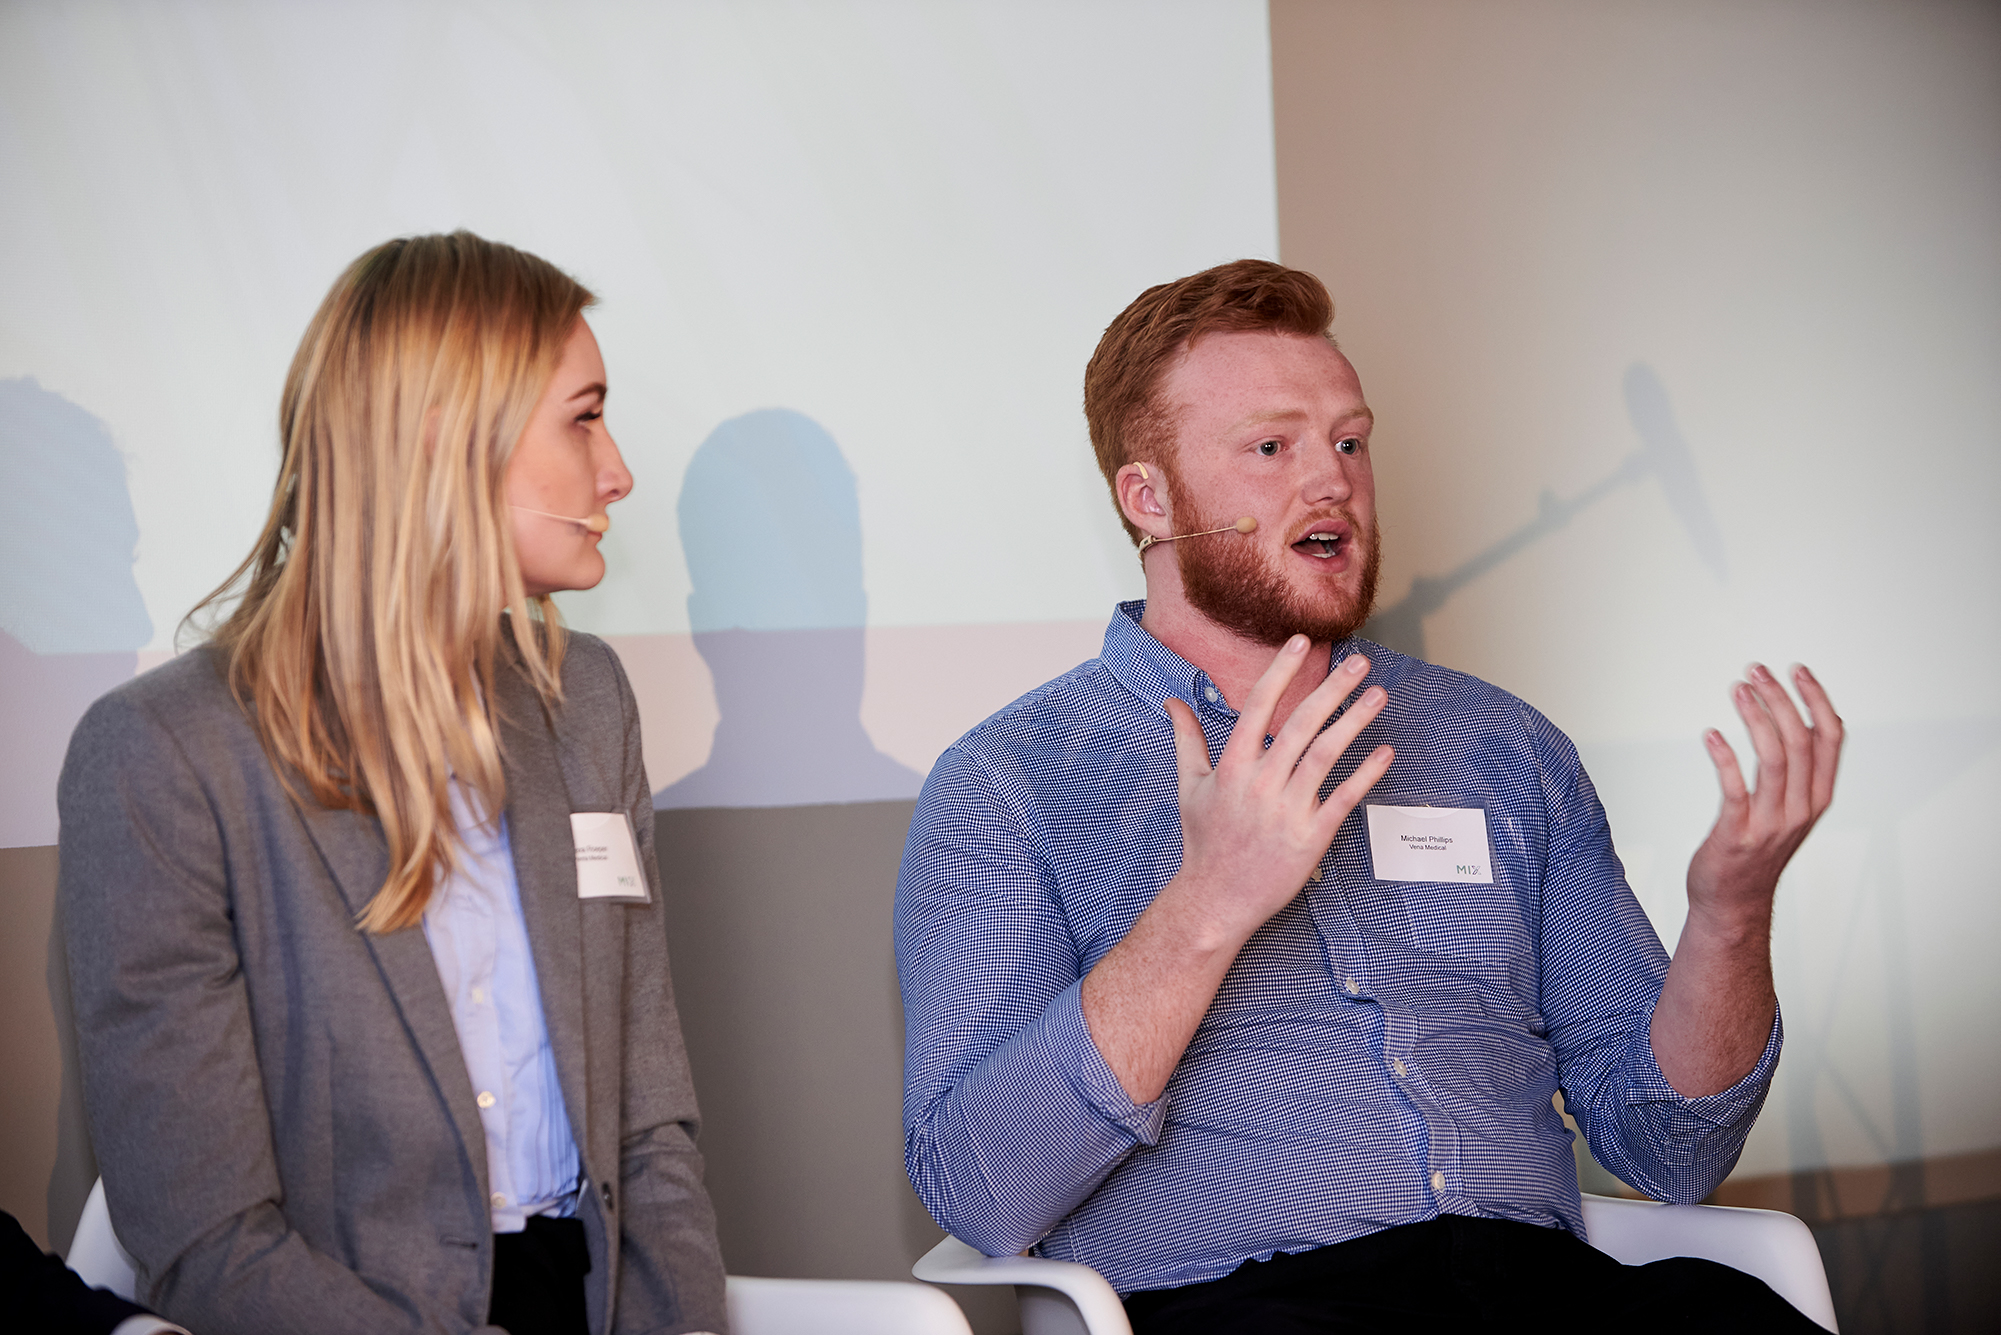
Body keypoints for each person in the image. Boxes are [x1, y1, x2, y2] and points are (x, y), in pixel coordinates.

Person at [894, 260, 1842, 1331]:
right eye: (1271, 448)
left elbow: (1672, 1151)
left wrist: (1730, 916)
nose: (1331, 481)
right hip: (1248, 1306)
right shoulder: (1011, 784)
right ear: (1148, 498)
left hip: (1541, 1292)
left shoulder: (1506, 747)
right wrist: (1205, 909)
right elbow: (982, 1194)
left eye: (1349, 441)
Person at [58, 232, 727, 1334]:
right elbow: (206, 1240)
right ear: (442, 441)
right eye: (584, 415)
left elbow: (649, 1125)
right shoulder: (163, 757)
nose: (618, 472)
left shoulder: (587, 700)